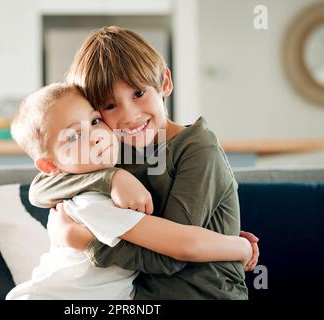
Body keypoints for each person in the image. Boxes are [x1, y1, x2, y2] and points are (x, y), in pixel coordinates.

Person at [29, 26, 260, 300]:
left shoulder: (197, 148)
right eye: (110, 105)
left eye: (138, 93)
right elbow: (40, 188)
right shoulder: (116, 150)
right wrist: (112, 178)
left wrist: (84, 241)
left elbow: (170, 257)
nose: (130, 116)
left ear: (164, 82)